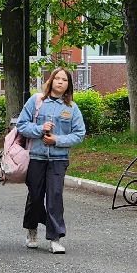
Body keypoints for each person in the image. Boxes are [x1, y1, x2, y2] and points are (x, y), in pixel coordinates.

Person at [15, 67, 87, 254]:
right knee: (35, 196)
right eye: (57, 78)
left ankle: (55, 237)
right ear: (51, 81)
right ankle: (32, 230)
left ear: (68, 85)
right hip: (36, 157)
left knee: (55, 197)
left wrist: (58, 140)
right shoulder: (36, 101)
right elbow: (22, 125)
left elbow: (79, 134)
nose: (60, 82)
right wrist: (40, 129)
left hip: (58, 159)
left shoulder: (71, 108)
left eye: (64, 80)